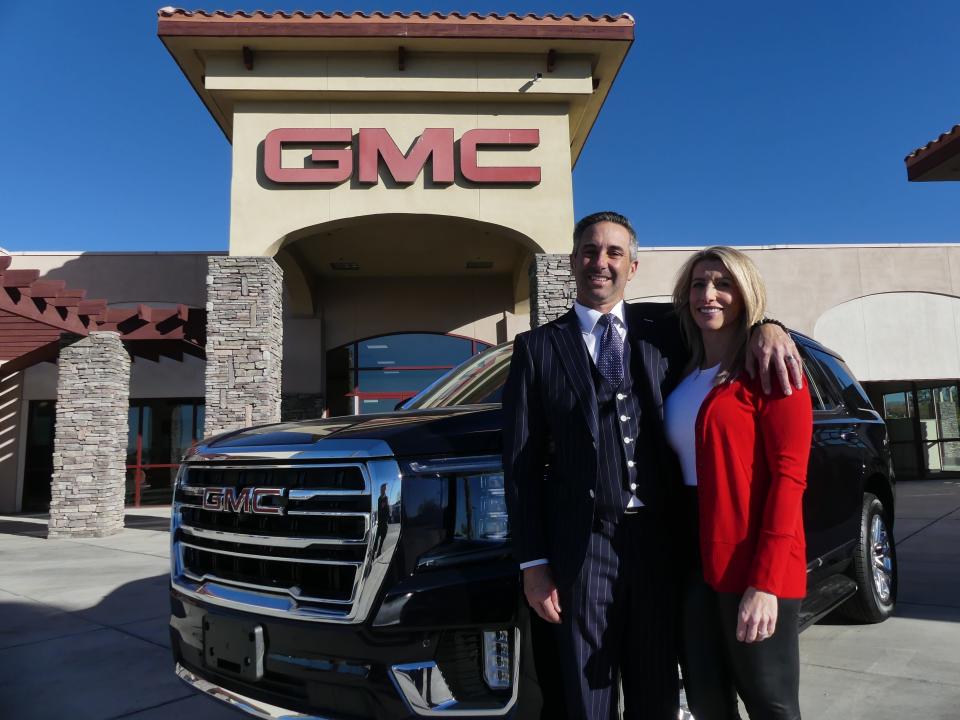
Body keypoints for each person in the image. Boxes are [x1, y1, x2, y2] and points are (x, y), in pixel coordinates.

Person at [502, 213, 803, 720]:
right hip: (585, 546)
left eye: (614, 253)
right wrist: (533, 565)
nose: (601, 262)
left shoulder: (665, 332)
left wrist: (770, 328)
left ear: (633, 266)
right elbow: (521, 465)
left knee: (658, 690)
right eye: (590, 252)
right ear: (573, 261)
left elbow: (729, 323)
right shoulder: (537, 349)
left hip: (667, 547)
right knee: (586, 695)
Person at [664, 246, 812, 720]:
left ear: (746, 294)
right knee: (708, 702)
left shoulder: (771, 369)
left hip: (752, 563)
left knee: (771, 705)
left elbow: (790, 479)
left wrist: (765, 583)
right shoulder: (682, 373)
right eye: (699, 284)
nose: (709, 295)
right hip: (693, 565)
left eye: (723, 283)